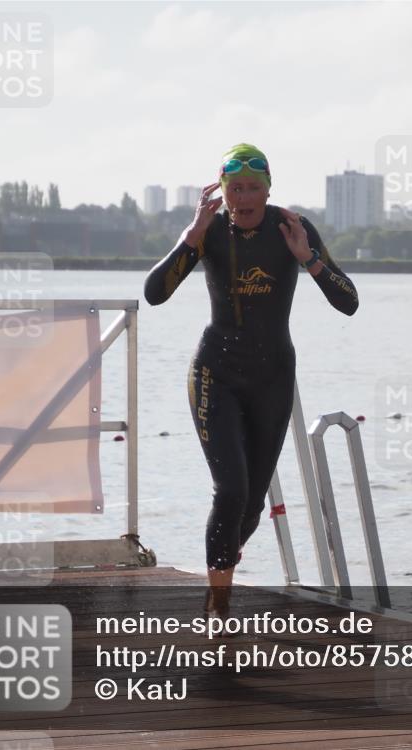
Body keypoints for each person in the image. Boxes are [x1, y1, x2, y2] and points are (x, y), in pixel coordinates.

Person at [144, 144, 358, 618]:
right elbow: (154, 294)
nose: (243, 198)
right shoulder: (208, 230)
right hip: (215, 374)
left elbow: (349, 302)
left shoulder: (292, 227)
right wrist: (191, 238)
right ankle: (219, 607)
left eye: (252, 188)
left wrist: (308, 259)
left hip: (272, 378)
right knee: (231, 491)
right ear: (222, 191)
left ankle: (220, 567)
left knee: (252, 506)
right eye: (235, 188)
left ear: (267, 189)